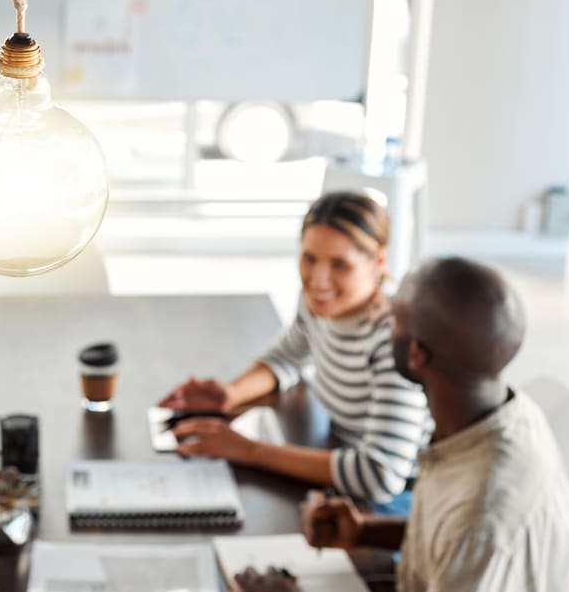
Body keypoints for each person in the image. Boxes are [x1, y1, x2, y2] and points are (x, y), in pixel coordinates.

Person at [229, 258, 569, 592]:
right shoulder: (506, 416)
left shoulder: (487, 516)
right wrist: (368, 530)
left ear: (416, 355)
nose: (381, 315)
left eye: (393, 316)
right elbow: (464, 549)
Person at [159, 191, 429, 514]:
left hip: (400, 502)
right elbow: (288, 357)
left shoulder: (392, 338)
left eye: (340, 265)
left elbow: (380, 474)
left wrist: (250, 451)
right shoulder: (320, 306)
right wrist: (229, 395)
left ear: (379, 262)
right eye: (310, 258)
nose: (318, 280)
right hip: (343, 456)